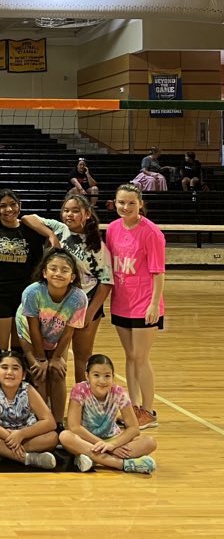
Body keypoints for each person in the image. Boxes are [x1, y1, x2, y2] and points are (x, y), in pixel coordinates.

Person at [22, 194, 112, 384]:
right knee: (57, 357)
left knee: (82, 358)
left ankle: (81, 401)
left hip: (84, 306)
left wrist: (90, 313)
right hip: (56, 307)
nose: (69, 214)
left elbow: (106, 283)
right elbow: (27, 218)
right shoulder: (60, 229)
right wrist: (51, 234)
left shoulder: (97, 246)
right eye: (66, 210)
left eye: (75, 211)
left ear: (87, 214)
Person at [0, 188, 55, 381]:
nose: (8, 209)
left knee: (21, 353)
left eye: (13, 204)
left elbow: (38, 269)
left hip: (24, 299)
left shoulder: (31, 233)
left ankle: (21, 397)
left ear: (20, 206)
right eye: (3, 206)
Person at [106, 183, 165, 430]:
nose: (125, 207)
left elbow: (158, 272)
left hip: (144, 304)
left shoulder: (151, 232)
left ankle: (148, 411)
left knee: (141, 357)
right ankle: (133, 407)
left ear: (140, 203)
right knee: (129, 357)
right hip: (121, 302)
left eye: (131, 202)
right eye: (121, 202)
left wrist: (154, 304)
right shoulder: (112, 229)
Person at [15, 248, 88, 425]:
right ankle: (42, 422)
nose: (58, 273)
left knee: (58, 372)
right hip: (29, 336)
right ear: (44, 273)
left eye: (64, 270)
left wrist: (56, 358)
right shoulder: (33, 292)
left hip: (57, 336)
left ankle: (57, 423)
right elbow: (33, 328)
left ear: (72, 277)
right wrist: (40, 358)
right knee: (40, 373)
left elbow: (69, 332)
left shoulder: (79, 298)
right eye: (53, 269)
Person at [59, 354, 157, 474]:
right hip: (87, 440)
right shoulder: (80, 390)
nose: (102, 381)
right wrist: (106, 446)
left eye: (107, 376)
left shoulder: (119, 393)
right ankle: (122, 464)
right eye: (96, 375)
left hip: (111, 439)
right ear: (87, 376)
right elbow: (74, 427)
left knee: (149, 442)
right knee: (65, 436)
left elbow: (134, 428)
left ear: (113, 377)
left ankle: (91, 458)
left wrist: (113, 444)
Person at [0, 351, 59, 470]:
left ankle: (1, 453)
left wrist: (21, 434)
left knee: (52, 437)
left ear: (23, 374)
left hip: (24, 436)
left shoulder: (28, 389)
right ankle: (29, 459)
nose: (9, 372)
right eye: (4, 367)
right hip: (0, 435)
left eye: (15, 368)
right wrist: (9, 436)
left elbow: (50, 422)